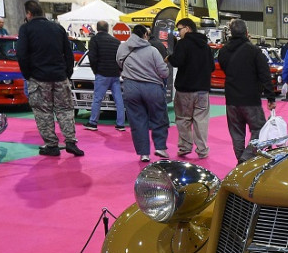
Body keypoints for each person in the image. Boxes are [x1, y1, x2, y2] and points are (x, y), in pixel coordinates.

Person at [16, 0, 83, 157]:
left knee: (43, 112)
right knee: (65, 109)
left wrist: (28, 75)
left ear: (28, 14)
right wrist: (67, 73)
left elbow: (21, 54)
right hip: (60, 77)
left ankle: (52, 145)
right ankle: (70, 142)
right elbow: (69, 53)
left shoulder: (26, 29)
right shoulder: (57, 28)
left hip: (39, 78)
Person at [218, 18, 275, 163]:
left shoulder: (223, 51)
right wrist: (270, 97)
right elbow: (264, 74)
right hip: (250, 98)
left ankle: (240, 160)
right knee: (260, 129)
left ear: (231, 32)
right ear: (247, 32)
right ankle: (246, 157)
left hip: (231, 99)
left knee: (236, 133)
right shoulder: (254, 51)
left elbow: (224, 67)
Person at [117, 24, 170, 162]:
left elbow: (119, 63)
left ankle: (144, 153)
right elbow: (163, 72)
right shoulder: (152, 50)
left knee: (137, 120)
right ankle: (160, 147)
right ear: (145, 35)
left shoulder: (122, 48)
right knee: (159, 117)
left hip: (131, 87)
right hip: (152, 87)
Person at [168, 17, 214, 158]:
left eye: (179, 29)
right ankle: (202, 149)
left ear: (187, 28)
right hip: (203, 90)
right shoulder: (206, 46)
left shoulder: (183, 44)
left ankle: (185, 146)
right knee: (201, 120)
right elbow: (212, 67)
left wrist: (169, 58)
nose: (178, 33)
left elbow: (177, 61)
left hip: (185, 89)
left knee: (183, 119)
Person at [85, 20, 125, 132]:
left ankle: (93, 122)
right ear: (108, 29)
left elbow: (92, 57)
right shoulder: (116, 41)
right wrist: (119, 70)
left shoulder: (94, 40)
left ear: (97, 28)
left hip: (102, 73)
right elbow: (120, 58)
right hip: (115, 74)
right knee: (119, 100)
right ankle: (120, 124)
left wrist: (96, 71)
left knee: (97, 99)